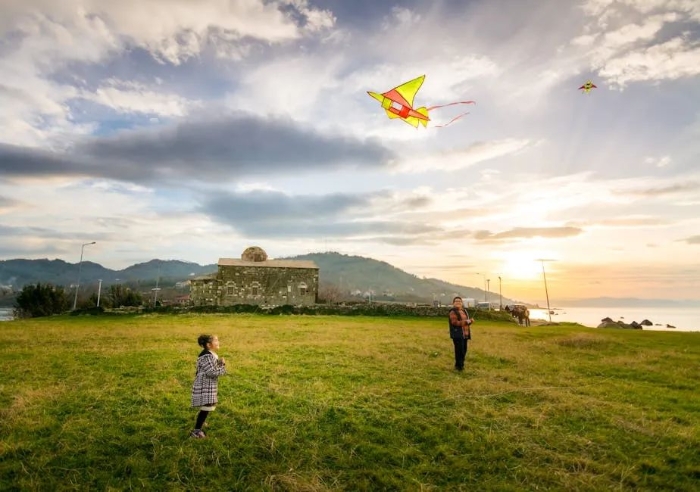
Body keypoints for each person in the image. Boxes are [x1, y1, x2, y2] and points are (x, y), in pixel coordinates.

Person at [190, 334, 227, 438]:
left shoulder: (210, 355)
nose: (218, 342)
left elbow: (211, 370)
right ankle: (196, 431)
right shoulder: (207, 356)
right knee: (206, 407)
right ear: (208, 345)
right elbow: (212, 372)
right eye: (216, 341)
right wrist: (223, 366)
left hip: (208, 384)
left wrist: (219, 364)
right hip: (205, 385)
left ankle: (200, 423)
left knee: (207, 406)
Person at [448, 296, 473, 371]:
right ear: (453, 303)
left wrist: (470, 322)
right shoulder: (453, 312)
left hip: (465, 334)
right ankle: (458, 367)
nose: (458, 302)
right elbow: (455, 323)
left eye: (459, 301)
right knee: (459, 351)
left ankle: (461, 365)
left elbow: (466, 323)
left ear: (462, 303)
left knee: (464, 350)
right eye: (456, 301)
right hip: (457, 334)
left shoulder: (464, 311)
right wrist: (467, 322)